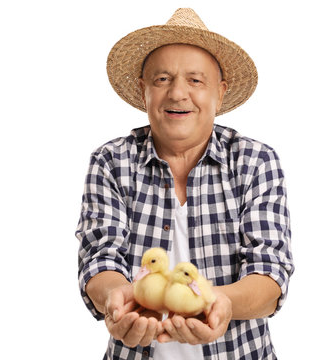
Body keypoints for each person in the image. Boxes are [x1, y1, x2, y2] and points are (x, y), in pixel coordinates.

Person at [75, 8, 294, 360]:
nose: (178, 94)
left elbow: (269, 274)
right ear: (143, 90)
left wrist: (217, 302)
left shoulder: (255, 161)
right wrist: (118, 300)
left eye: (195, 80)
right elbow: (100, 259)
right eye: (162, 79)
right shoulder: (111, 162)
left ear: (219, 94)